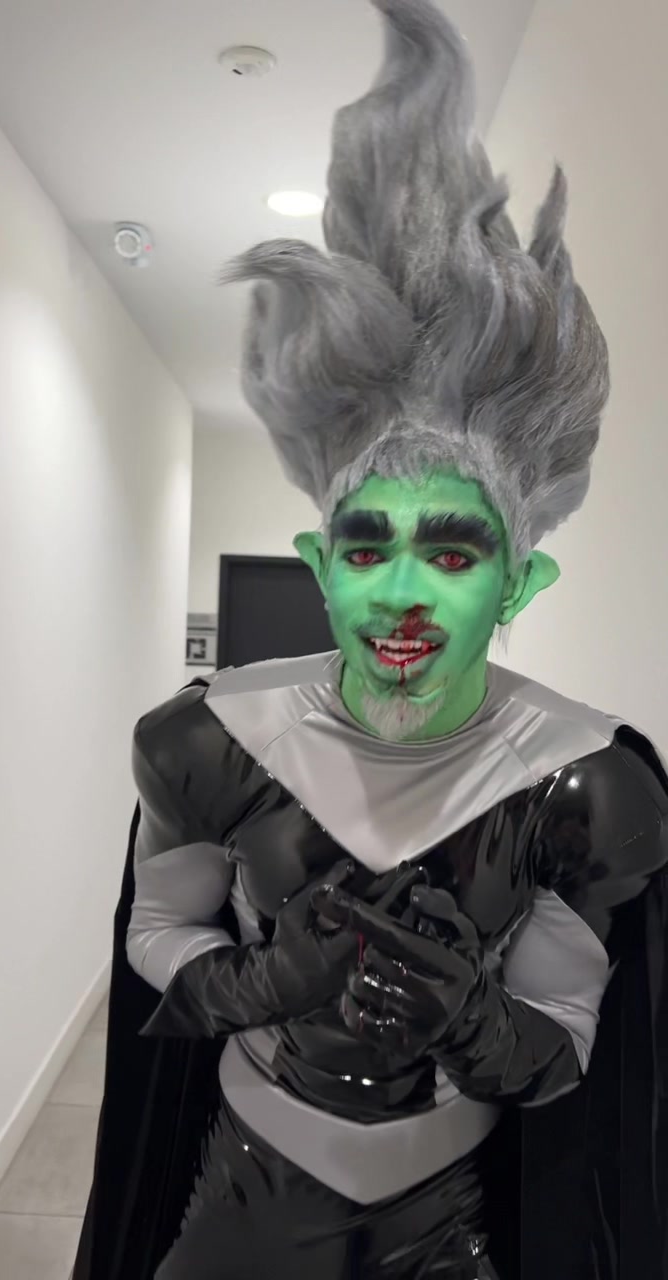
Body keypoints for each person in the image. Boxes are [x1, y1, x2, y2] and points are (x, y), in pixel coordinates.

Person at [73, 1, 668, 1277]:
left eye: (451, 553)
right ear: (319, 568)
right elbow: (159, 932)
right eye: (365, 548)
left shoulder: (586, 781)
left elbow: (571, 1034)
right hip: (241, 1181)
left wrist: (478, 1024)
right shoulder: (206, 740)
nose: (403, 593)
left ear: (518, 580)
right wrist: (253, 985)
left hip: (450, 1210)